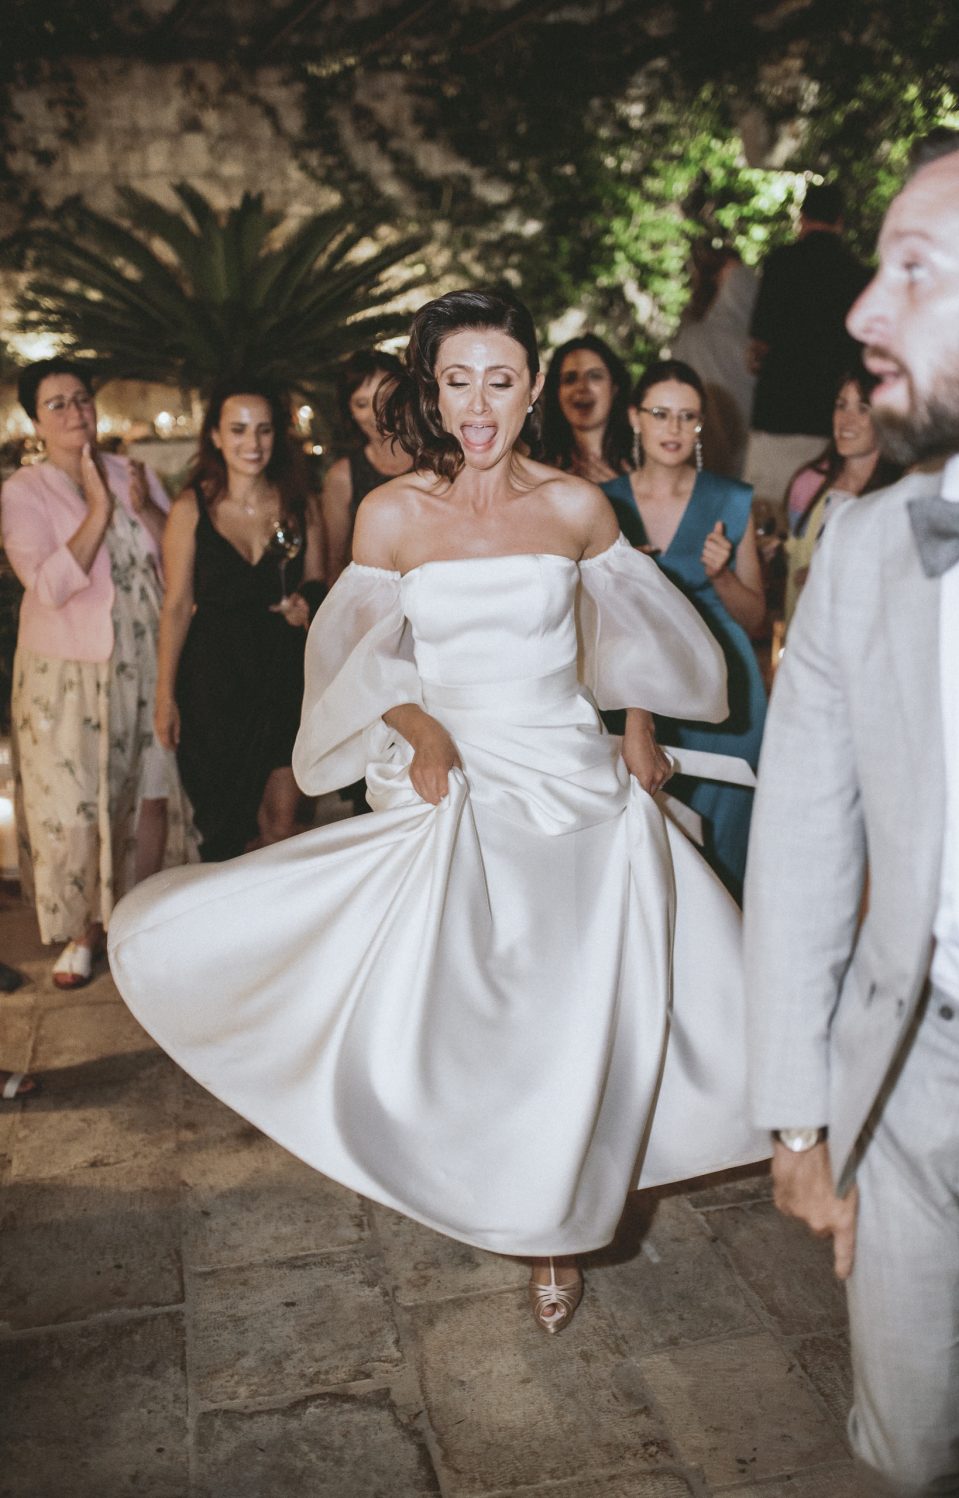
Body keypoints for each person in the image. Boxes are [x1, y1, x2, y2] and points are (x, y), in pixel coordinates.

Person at [110, 287, 767, 1336]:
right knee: (477, 998)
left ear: (533, 387)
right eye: (456, 380)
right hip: (455, 770)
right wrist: (419, 731)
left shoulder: (575, 506)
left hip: (563, 771)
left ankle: (555, 1222)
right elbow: (362, 657)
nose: (477, 404)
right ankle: (473, 1160)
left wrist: (637, 724)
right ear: (430, 387)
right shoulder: (391, 511)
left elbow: (630, 629)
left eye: (499, 380)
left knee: (568, 997)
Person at [744, 127, 959, 1492]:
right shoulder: (865, 546)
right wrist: (797, 1113)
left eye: (916, 268)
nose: (859, 309)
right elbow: (798, 839)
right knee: (902, 1448)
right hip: (899, 1073)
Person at [1, 357, 195, 988]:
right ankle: (86, 931)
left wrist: (143, 508)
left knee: (147, 792)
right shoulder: (23, 491)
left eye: (81, 399)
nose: (75, 412)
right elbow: (49, 586)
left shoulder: (131, 471)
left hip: (144, 661)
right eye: (57, 403)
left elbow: (179, 564)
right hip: (67, 676)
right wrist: (99, 510)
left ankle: (136, 925)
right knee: (77, 805)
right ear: (36, 419)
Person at [602, 359, 767, 902]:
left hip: (723, 690)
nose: (673, 429)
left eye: (687, 417)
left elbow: (755, 618)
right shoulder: (603, 503)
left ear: (699, 426)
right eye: (660, 414)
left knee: (722, 845)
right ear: (635, 417)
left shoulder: (731, 499)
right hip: (630, 689)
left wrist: (719, 575)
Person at [155, 378, 325, 862]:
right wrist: (165, 695)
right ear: (215, 436)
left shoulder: (299, 503)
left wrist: (306, 604)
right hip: (214, 681)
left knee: (283, 828)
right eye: (239, 430)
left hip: (282, 672)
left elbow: (320, 583)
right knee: (224, 834)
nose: (252, 444)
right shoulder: (191, 508)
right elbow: (175, 604)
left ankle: (282, 935)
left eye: (264, 430)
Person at [744, 181, 870, 521]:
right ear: (841, 221)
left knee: (765, 516)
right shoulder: (859, 274)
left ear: (802, 218)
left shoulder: (780, 264)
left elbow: (758, 344)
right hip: (828, 416)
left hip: (777, 408)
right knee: (815, 516)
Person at [783, 365, 904, 622]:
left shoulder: (898, 497)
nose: (846, 420)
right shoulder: (808, 484)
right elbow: (792, 570)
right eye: (841, 405)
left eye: (863, 409)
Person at [320, 351, 412, 586]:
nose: (378, 414)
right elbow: (335, 562)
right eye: (362, 404)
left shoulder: (440, 460)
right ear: (349, 411)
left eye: (387, 397)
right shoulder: (342, 476)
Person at [672, 240, 758, 479]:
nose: (736, 285)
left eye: (740, 277)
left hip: (747, 446)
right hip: (700, 446)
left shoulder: (759, 341)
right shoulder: (692, 336)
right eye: (729, 276)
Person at [538, 334, 633, 483]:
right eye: (570, 379)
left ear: (615, 388)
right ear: (556, 392)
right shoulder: (537, 471)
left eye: (595, 376)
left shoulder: (646, 462)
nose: (582, 387)